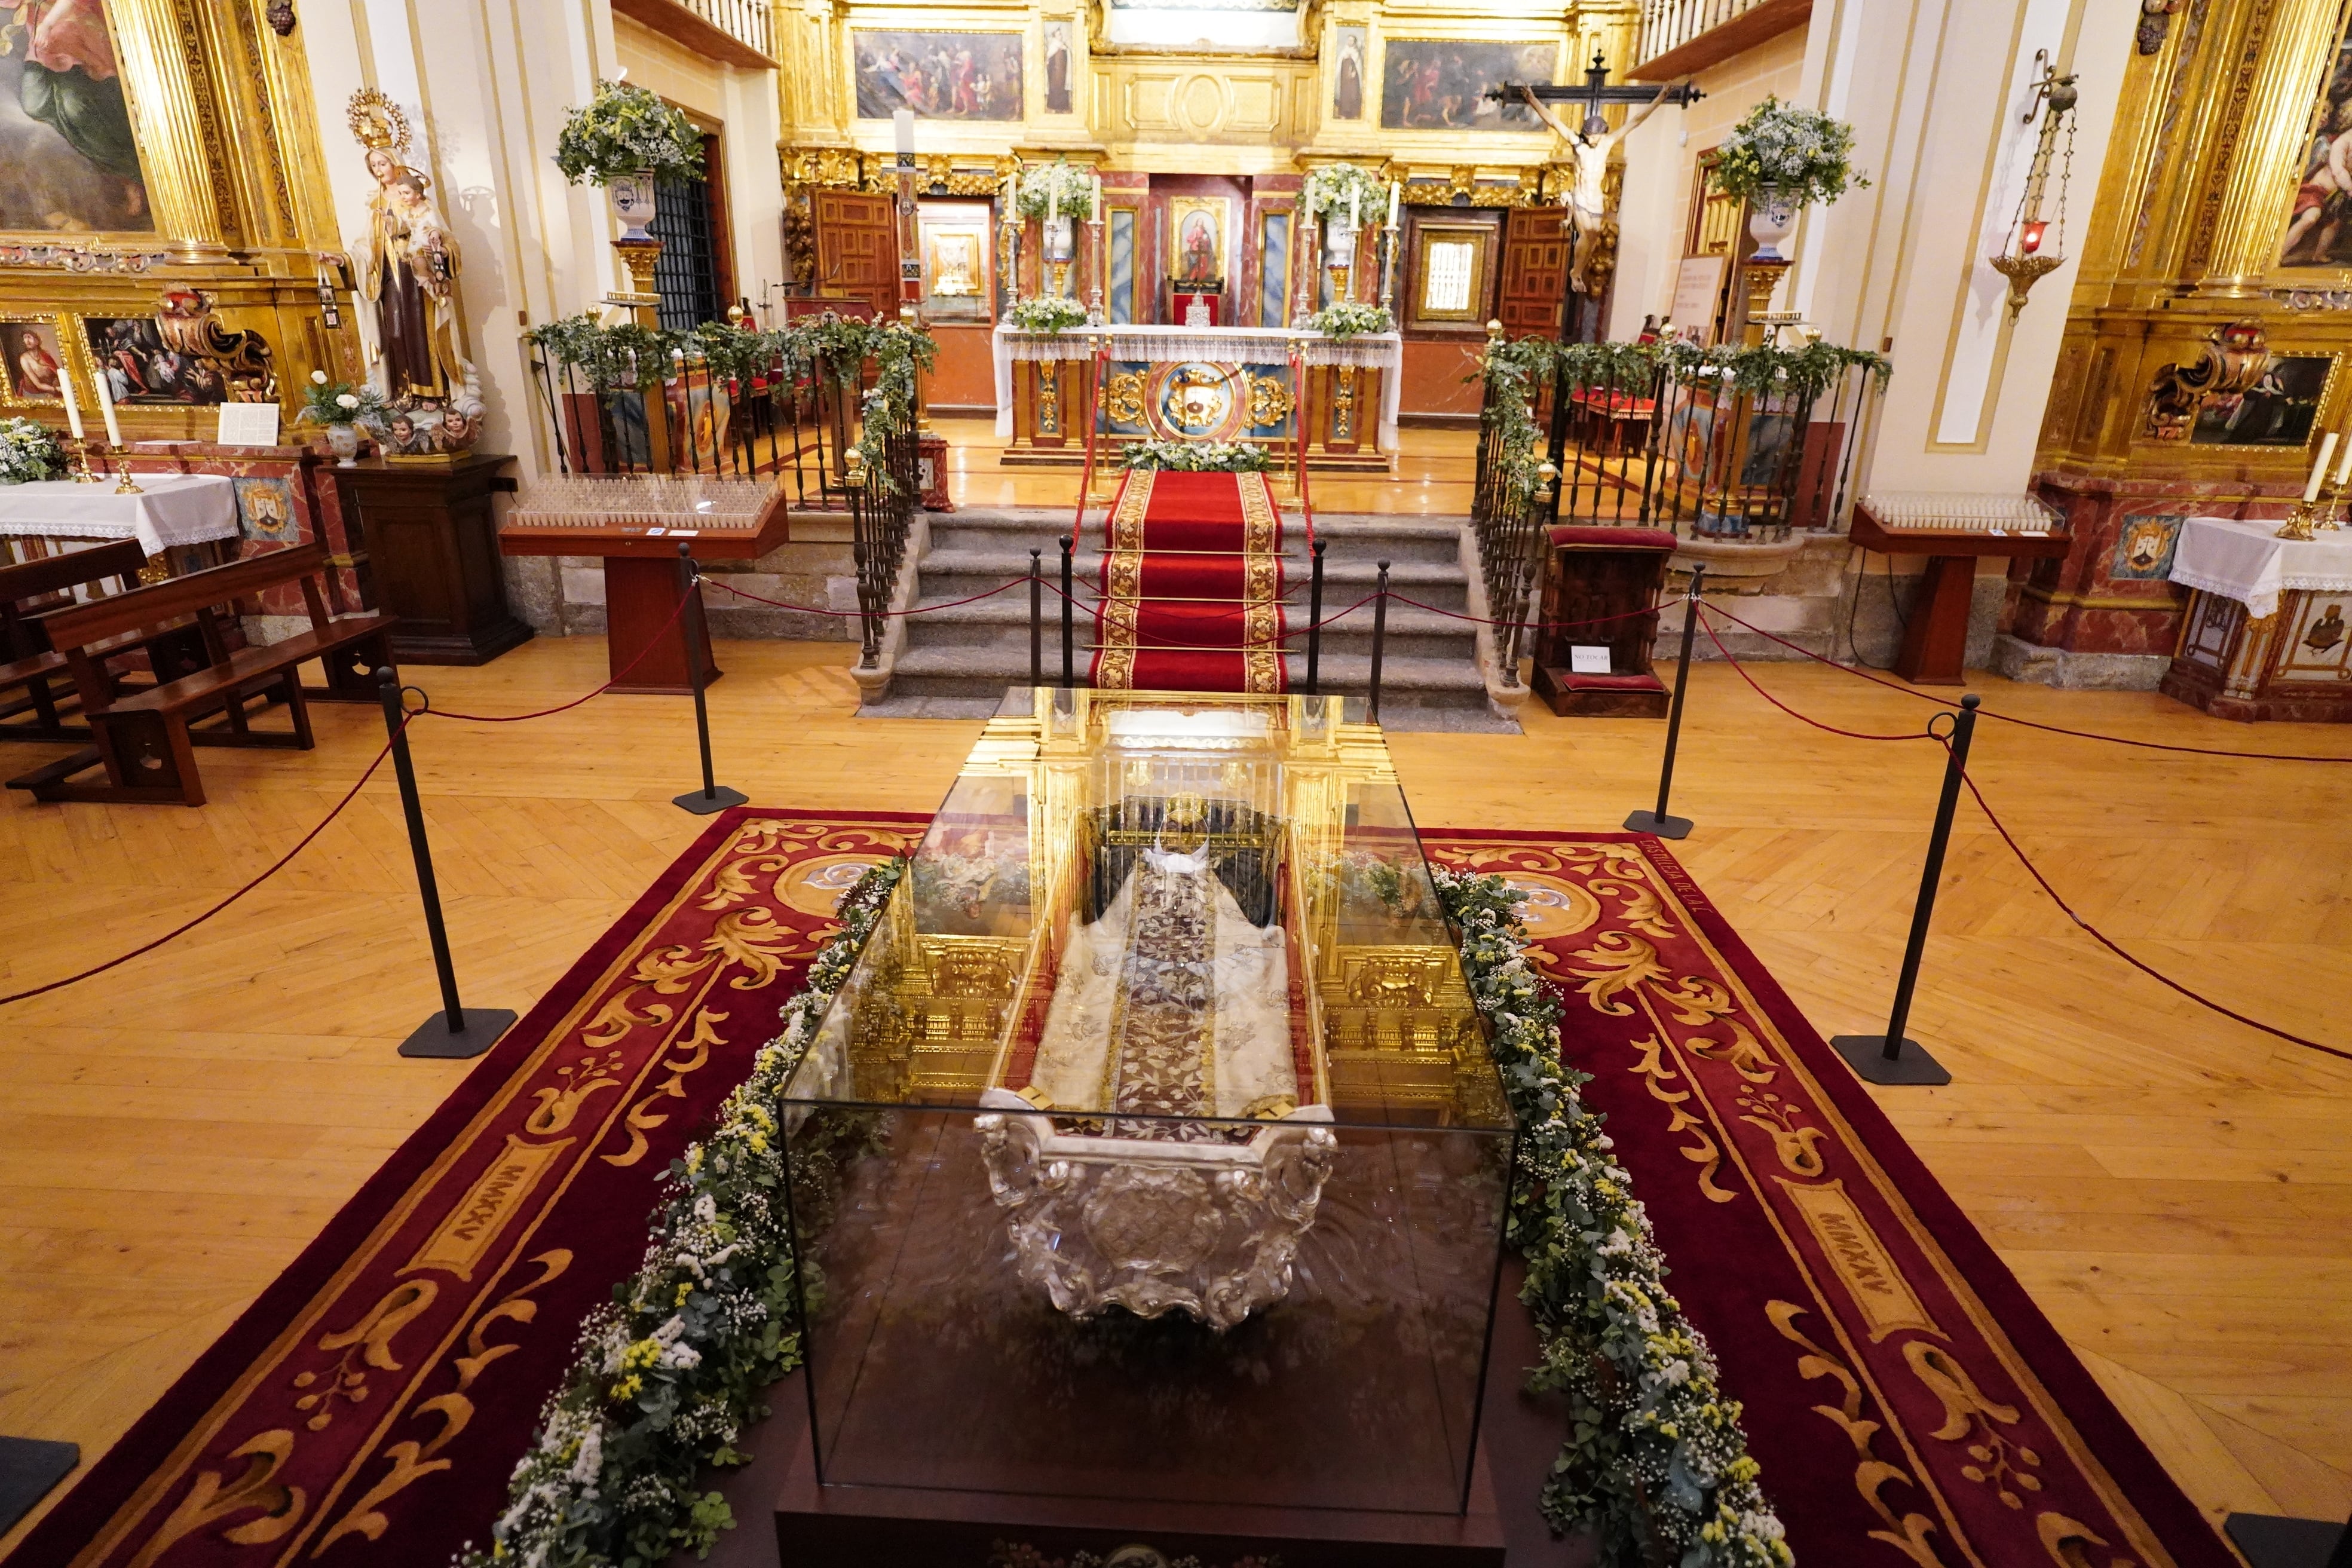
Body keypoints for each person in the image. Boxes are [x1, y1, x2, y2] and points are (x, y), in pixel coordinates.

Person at [1521, 82, 1680, 294]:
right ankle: (1575, 273)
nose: (1593, 139)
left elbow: (1635, 121)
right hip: (1580, 197)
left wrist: (1659, 99)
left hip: (1596, 198)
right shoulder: (1578, 146)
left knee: (1595, 237)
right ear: (1586, 134)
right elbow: (1553, 121)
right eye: (1590, 136)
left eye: (1596, 136)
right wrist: (1533, 101)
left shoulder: (1607, 144)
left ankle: (1578, 271)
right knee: (1587, 233)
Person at [12, 328, 60, 397]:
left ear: (37, 341)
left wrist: (52, 391)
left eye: (30, 337)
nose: (27, 341)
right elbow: (38, 385)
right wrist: (55, 390)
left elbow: (56, 376)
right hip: (33, 395)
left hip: (50, 392)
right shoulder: (24, 358)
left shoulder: (45, 356)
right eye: (25, 338)